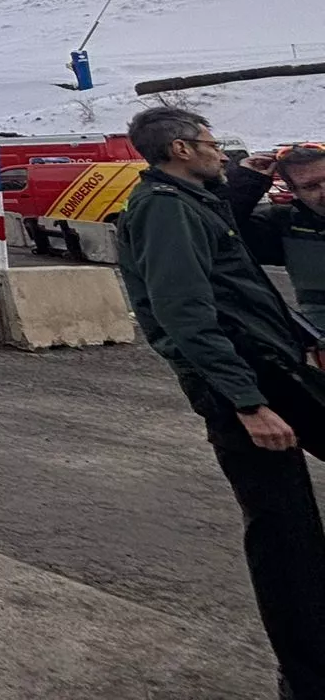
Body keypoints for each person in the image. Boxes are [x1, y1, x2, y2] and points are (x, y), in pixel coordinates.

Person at [116, 107, 325, 700]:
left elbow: (234, 262)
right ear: (181, 149)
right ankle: (309, 680)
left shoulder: (191, 201)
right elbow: (184, 316)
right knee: (285, 537)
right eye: (213, 143)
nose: (222, 152)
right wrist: (246, 404)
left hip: (274, 373)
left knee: (292, 536)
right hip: (245, 385)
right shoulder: (164, 210)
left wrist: (249, 176)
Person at [236, 145, 325, 328]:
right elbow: (217, 229)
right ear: (294, 191)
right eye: (311, 186)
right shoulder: (284, 224)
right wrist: (247, 181)